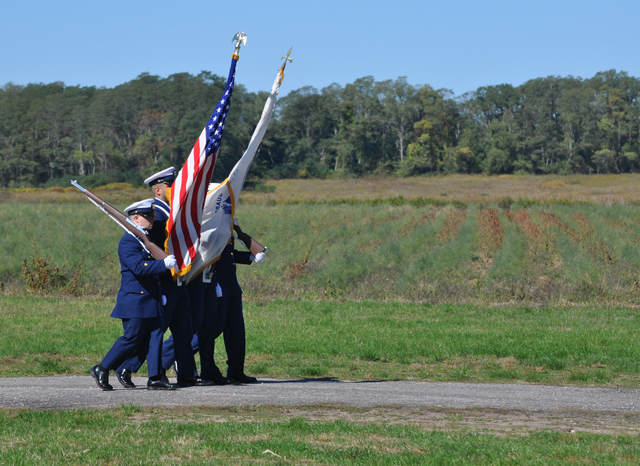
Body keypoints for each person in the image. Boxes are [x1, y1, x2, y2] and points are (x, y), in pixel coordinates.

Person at [115, 168, 209, 388]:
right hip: (165, 280)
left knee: (184, 328)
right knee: (157, 331)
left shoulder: (175, 210)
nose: (175, 188)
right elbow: (152, 250)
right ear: (158, 190)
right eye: (170, 185)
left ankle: (185, 373)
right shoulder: (156, 214)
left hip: (178, 279)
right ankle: (139, 371)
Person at [91, 199, 178, 391]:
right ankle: (102, 367)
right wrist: (163, 265)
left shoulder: (144, 239)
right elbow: (139, 267)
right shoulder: (128, 241)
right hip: (135, 300)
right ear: (136, 218)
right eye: (147, 216)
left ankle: (155, 377)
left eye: (152, 216)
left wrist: (160, 290)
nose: (152, 219)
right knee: (132, 338)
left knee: (155, 338)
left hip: (152, 298)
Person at [211, 221, 265, 384]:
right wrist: (214, 282)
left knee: (236, 333)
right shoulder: (211, 220)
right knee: (212, 329)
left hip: (231, 286)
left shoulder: (226, 223)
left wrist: (248, 254)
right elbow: (208, 255)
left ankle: (236, 371)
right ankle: (172, 356)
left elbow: (229, 255)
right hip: (218, 285)